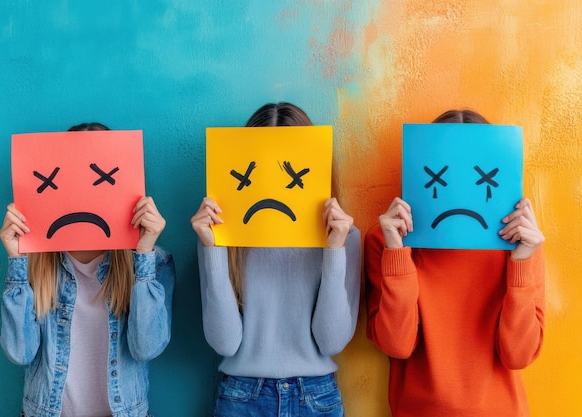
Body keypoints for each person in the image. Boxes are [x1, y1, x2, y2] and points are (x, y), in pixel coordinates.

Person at [365, 109, 546, 417]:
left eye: (482, 178)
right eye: (440, 177)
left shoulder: (521, 246)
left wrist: (520, 263)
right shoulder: (384, 240)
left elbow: (519, 355)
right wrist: (398, 251)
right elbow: (397, 345)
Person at [191, 102, 361, 417]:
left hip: (315, 397)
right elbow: (225, 343)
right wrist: (212, 249)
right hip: (241, 396)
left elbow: (331, 341)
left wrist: (334, 250)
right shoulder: (221, 241)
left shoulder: (346, 238)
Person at [0, 122, 175, 417]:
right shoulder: (34, 264)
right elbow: (20, 353)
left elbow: (146, 348)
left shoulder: (154, 263)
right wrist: (17, 261)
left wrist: (142, 254)